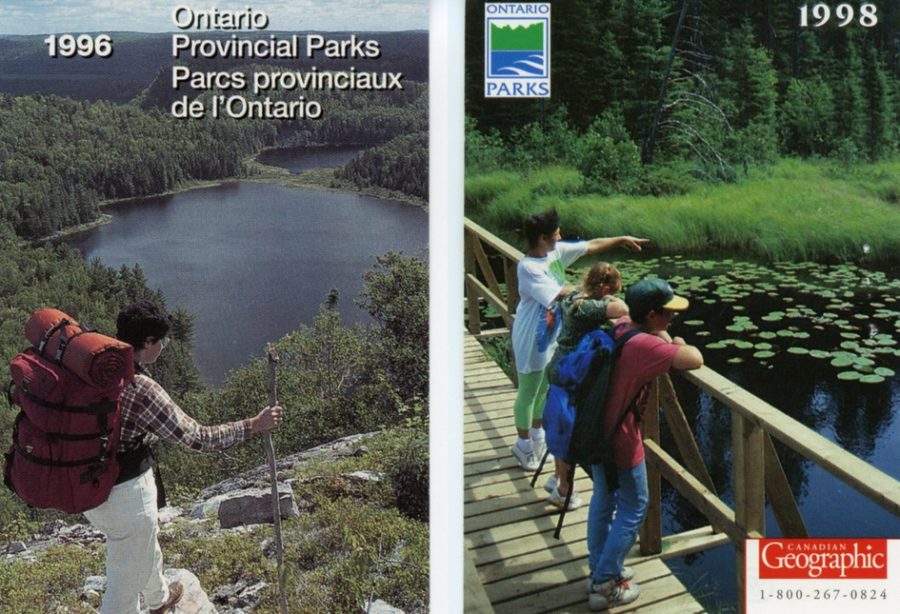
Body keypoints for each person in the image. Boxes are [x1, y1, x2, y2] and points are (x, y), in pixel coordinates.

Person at [83, 300, 284, 614]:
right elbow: (198, 438)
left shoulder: (93, 366)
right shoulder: (140, 388)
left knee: (140, 545)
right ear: (148, 343)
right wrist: (254, 425)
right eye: (162, 340)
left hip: (87, 486)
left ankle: (158, 598)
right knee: (122, 587)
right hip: (123, 496)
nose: (164, 346)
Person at [586, 278, 703, 611]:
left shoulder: (623, 327)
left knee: (604, 498)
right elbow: (693, 358)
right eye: (668, 313)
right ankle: (606, 580)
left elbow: (656, 336)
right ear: (652, 315)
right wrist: (676, 340)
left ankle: (599, 568)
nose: (672, 319)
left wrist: (664, 334)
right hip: (622, 438)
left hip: (597, 430)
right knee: (636, 504)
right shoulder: (645, 347)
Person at [510, 208, 648, 472]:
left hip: (550, 334)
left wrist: (620, 239)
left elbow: (591, 246)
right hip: (531, 336)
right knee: (528, 390)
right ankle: (523, 445)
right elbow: (561, 292)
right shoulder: (528, 267)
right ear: (542, 237)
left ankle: (538, 436)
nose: (560, 236)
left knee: (542, 389)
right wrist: (598, 293)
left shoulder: (553, 252)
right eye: (556, 233)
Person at [544, 262, 628, 510]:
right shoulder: (588, 307)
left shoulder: (572, 296)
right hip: (571, 372)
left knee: (561, 427)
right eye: (611, 289)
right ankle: (564, 491)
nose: (612, 293)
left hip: (558, 365)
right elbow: (622, 308)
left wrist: (604, 295)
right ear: (602, 287)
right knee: (570, 432)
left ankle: (557, 478)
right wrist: (610, 299)